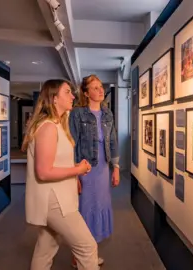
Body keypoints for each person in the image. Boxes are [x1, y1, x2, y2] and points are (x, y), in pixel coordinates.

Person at [22, 79, 100, 270]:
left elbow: (52, 163)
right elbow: (44, 172)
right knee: (87, 246)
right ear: (54, 98)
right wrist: (77, 170)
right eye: (67, 92)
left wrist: (73, 167)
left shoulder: (56, 125)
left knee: (46, 248)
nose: (73, 96)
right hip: (56, 201)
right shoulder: (48, 127)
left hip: (58, 197)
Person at [69, 74, 120, 268]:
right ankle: (79, 256)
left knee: (99, 208)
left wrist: (115, 168)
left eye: (101, 87)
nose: (100, 90)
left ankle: (89, 254)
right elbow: (72, 144)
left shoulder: (107, 114)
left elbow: (113, 142)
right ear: (86, 93)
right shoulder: (77, 114)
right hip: (86, 168)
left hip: (103, 169)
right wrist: (75, 174)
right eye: (95, 87)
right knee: (85, 210)